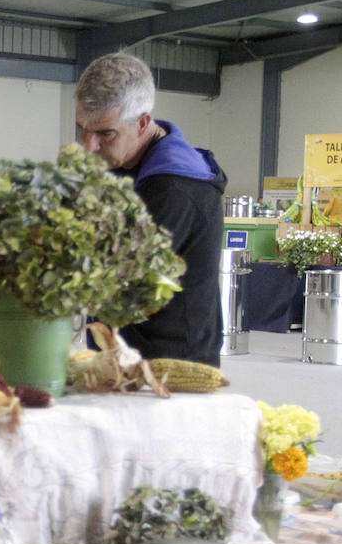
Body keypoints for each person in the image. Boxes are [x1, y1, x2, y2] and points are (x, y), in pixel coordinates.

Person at [76, 52, 228, 368]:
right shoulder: (121, 164)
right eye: (83, 129)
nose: (88, 145)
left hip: (171, 361)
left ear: (143, 122)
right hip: (120, 350)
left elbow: (126, 277)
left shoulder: (176, 188)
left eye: (105, 133)